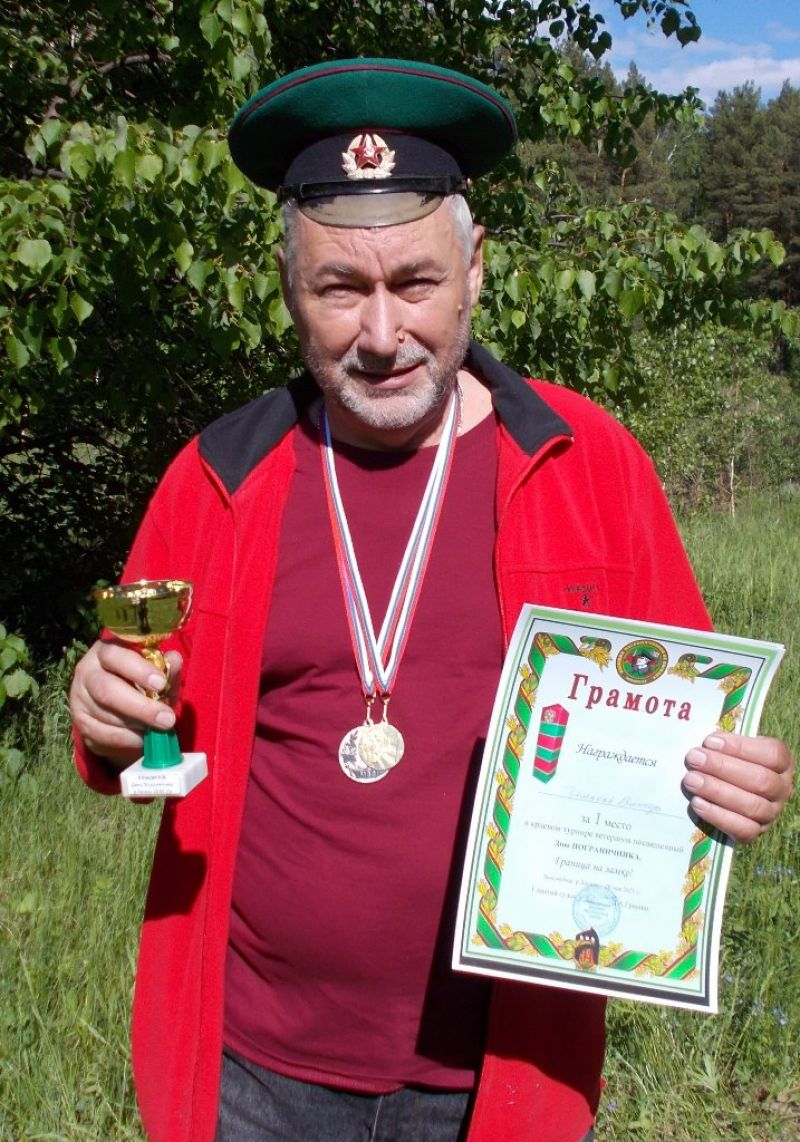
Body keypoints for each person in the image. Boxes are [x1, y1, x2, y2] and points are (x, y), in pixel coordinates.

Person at [69, 58, 794, 1142]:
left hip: (503, 1071)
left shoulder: (586, 463)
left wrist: (734, 777)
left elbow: (692, 723)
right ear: (287, 285)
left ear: (475, 270)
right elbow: (138, 739)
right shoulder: (215, 478)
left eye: (414, 282)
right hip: (250, 1070)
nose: (380, 333)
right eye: (338, 288)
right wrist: (101, 717)